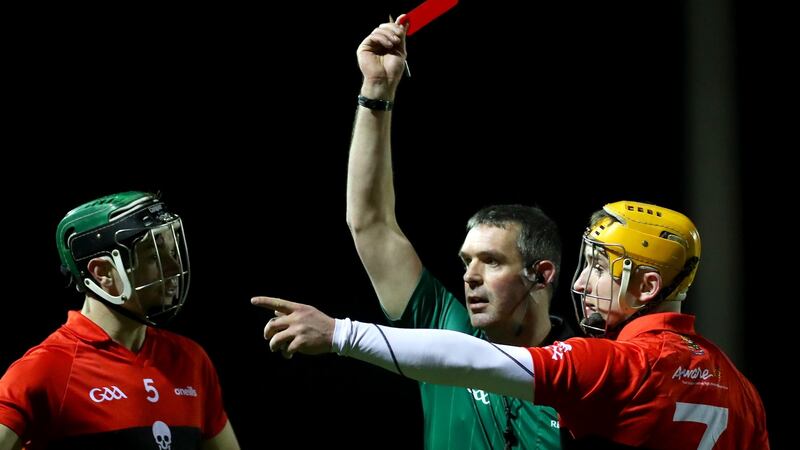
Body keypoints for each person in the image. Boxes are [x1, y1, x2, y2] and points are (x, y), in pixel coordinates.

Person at [254, 200, 770, 449]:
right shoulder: (743, 391)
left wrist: (343, 333)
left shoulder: (617, 363)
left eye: (602, 266)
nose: (585, 281)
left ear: (649, 288)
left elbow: (468, 356)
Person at [346, 15, 571, 449]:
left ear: (542, 275)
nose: (469, 277)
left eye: (492, 262)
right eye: (467, 261)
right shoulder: (447, 331)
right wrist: (377, 89)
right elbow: (370, 222)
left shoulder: (587, 372)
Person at [0, 191, 240, 450]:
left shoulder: (191, 360)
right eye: (154, 256)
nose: (172, 268)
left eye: (172, 252)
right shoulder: (46, 369)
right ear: (102, 272)